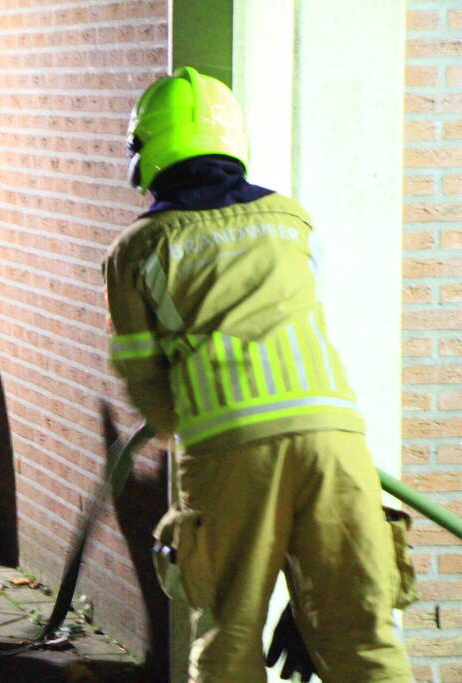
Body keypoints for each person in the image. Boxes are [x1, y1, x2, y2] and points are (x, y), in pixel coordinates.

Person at [102, 66, 414, 681]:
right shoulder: (292, 220)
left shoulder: (135, 251)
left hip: (229, 450)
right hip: (335, 441)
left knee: (228, 633)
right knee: (362, 633)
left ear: (149, 153)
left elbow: (144, 379)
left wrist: (174, 424)